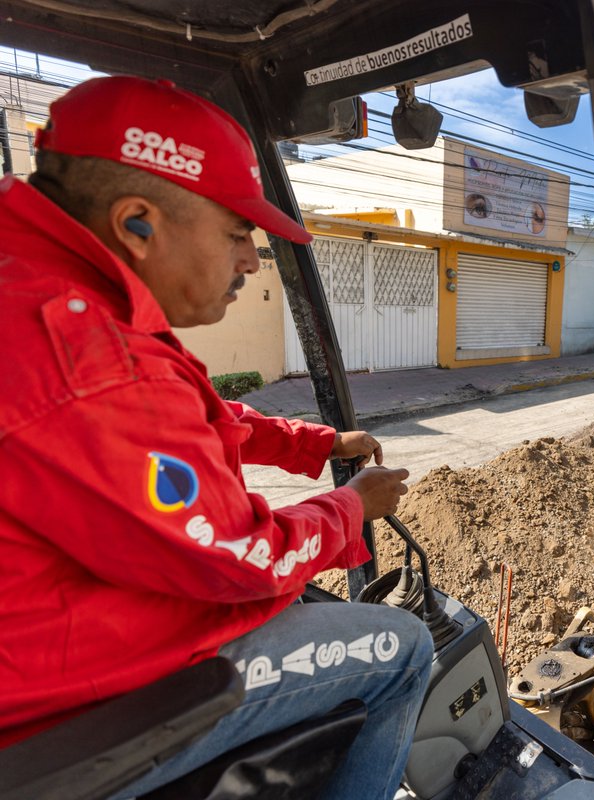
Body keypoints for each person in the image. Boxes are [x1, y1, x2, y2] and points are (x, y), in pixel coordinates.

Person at [0, 76, 432, 799]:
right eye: (237, 233)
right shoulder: (90, 360)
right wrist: (353, 508)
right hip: (62, 714)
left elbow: (183, 425)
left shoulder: (45, 297)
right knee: (403, 647)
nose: (250, 263)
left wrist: (309, 444)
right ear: (138, 222)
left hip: (46, 651)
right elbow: (247, 558)